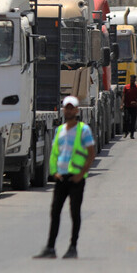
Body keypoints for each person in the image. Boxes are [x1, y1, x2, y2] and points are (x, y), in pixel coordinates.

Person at [34, 96, 95, 260]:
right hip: (61, 178)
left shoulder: (84, 130)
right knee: (55, 212)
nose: (68, 110)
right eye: (66, 108)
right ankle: (50, 248)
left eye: (71, 108)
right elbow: (54, 153)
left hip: (76, 179)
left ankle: (73, 247)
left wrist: (81, 174)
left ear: (77, 110)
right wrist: (54, 172)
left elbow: (91, 153)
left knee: (74, 213)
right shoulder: (59, 130)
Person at [122, 75, 137, 139]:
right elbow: (123, 96)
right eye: (131, 80)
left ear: (135, 80)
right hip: (127, 106)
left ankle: (132, 134)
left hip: (134, 107)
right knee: (126, 119)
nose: (131, 81)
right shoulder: (126, 87)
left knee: (133, 121)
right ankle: (126, 132)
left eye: (133, 80)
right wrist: (122, 104)